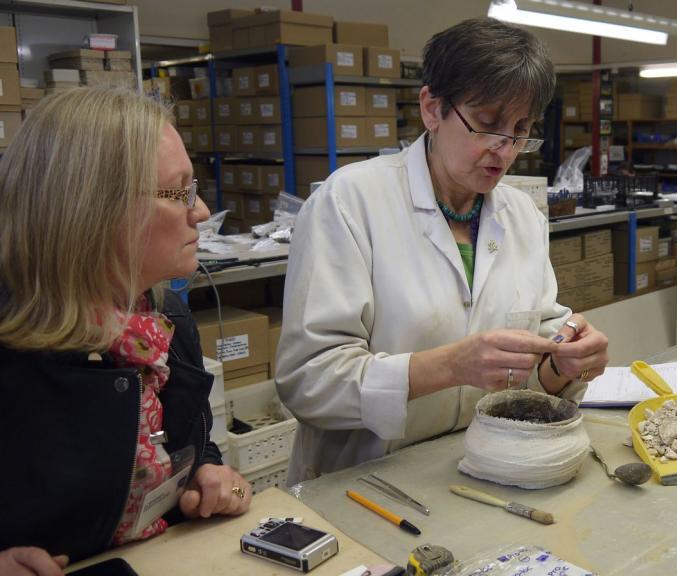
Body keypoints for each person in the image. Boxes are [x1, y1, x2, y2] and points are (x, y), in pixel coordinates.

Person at [276, 17, 610, 485]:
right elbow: (308, 382)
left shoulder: (522, 216)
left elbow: (538, 359)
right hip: (362, 481)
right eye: (488, 124)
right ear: (432, 109)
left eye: (520, 130)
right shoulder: (351, 201)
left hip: (480, 467)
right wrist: (449, 366)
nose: (505, 149)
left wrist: (564, 361)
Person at [0, 87, 252, 575]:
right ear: (94, 211)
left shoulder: (164, 325)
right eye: (180, 192)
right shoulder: (15, 352)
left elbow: (186, 446)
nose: (200, 212)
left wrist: (214, 477)